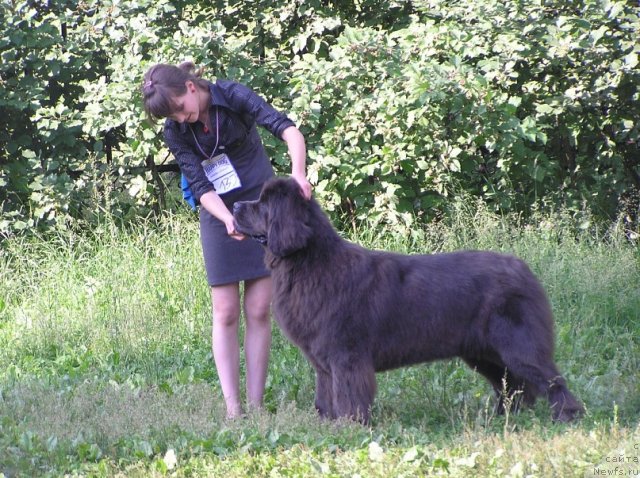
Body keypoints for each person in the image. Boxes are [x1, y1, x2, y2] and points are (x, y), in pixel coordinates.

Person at [142, 62, 312, 419]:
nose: (180, 117)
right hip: (218, 211)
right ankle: (234, 412)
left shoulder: (232, 95)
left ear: (190, 86)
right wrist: (225, 218)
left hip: (262, 207)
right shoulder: (175, 131)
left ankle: (256, 405)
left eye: (179, 106)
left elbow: (289, 131)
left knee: (258, 309)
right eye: (171, 115)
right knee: (226, 311)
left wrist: (298, 176)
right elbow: (200, 185)